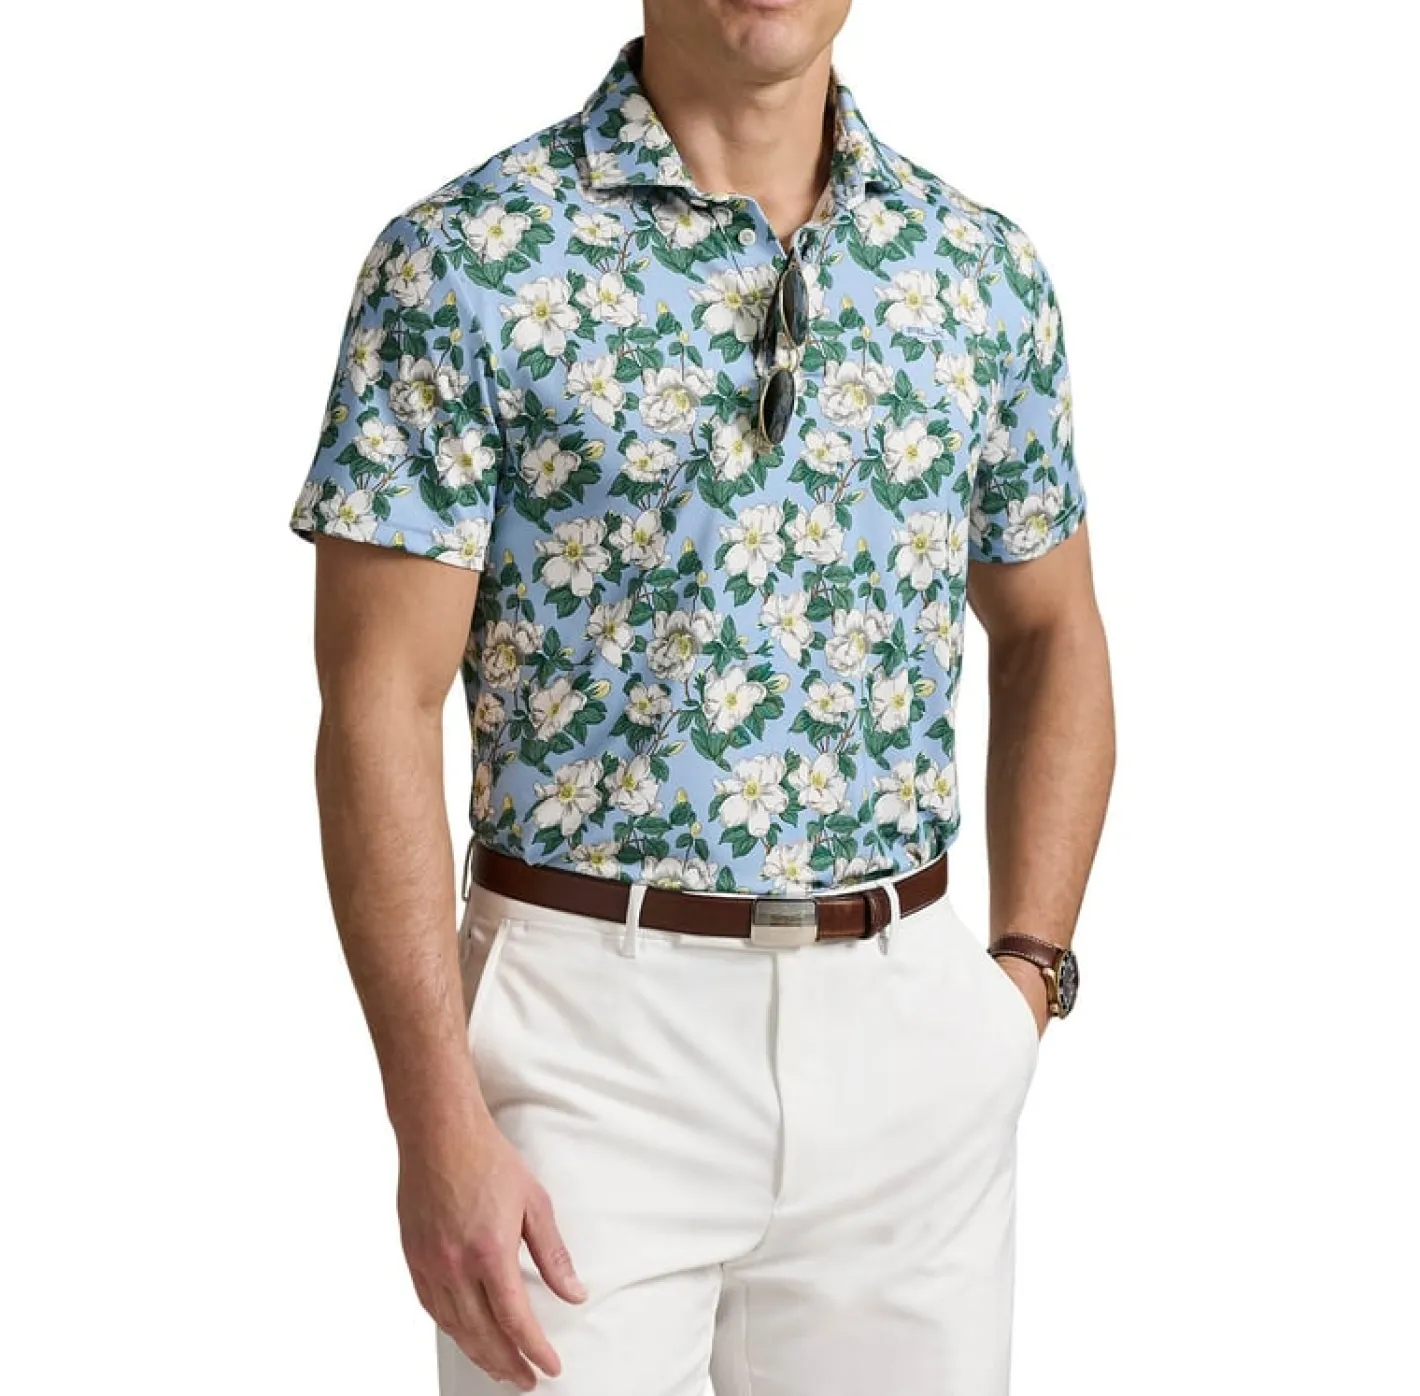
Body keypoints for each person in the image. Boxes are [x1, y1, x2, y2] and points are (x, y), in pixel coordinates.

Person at [289, 3, 1114, 1391]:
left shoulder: (977, 273)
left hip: (908, 1042)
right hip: (583, 1051)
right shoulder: (469, 262)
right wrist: (431, 1116)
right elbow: (377, 698)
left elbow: (1053, 629)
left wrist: (1025, 981)